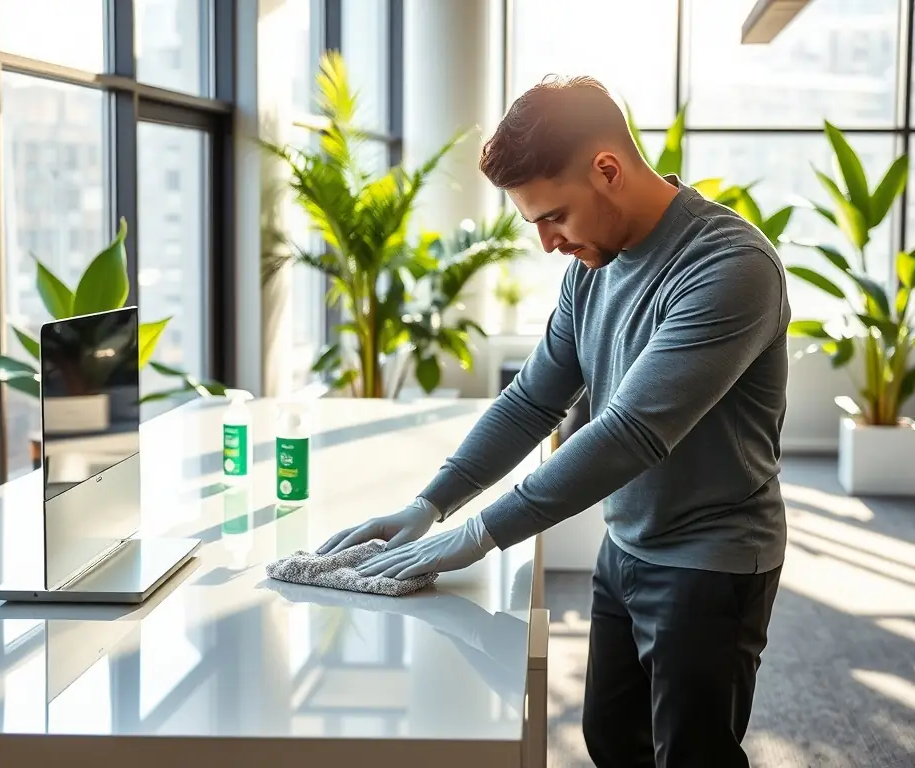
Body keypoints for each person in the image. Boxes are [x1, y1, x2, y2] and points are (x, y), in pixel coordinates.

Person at [317, 74, 790, 768]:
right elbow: (532, 401)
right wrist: (433, 502)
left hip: (710, 559)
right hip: (626, 545)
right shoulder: (591, 267)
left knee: (693, 755)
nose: (545, 242)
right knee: (610, 740)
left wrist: (479, 535)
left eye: (554, 216)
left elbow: (632, 430)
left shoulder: (729, 266)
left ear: (607, 170)